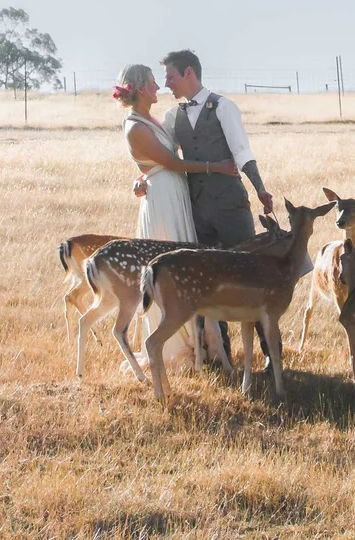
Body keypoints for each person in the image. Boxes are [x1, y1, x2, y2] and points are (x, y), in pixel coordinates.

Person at [114, 63, 238, 370]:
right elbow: (171, 162)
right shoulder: (135, 127)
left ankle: (202, 344)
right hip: (163, 204)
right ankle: (176, 347)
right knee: (172, 270)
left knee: (188, 267)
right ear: (141, 88)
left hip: (174, 195)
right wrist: (216, 167)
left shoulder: (151, 119)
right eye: (154, 83)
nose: (160, 87)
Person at [159, 49, 275, 364]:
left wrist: (261, 190)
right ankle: (221, 351)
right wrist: (142, 180)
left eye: (170, 76)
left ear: (188, 74)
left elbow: (242, 152)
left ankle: (269, 354)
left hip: (231, 206)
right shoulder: (172, 117)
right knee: (209, 282)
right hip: (197, 210)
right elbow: (165, 158)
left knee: (249, 276)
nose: (165, 83)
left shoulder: (224, 107)